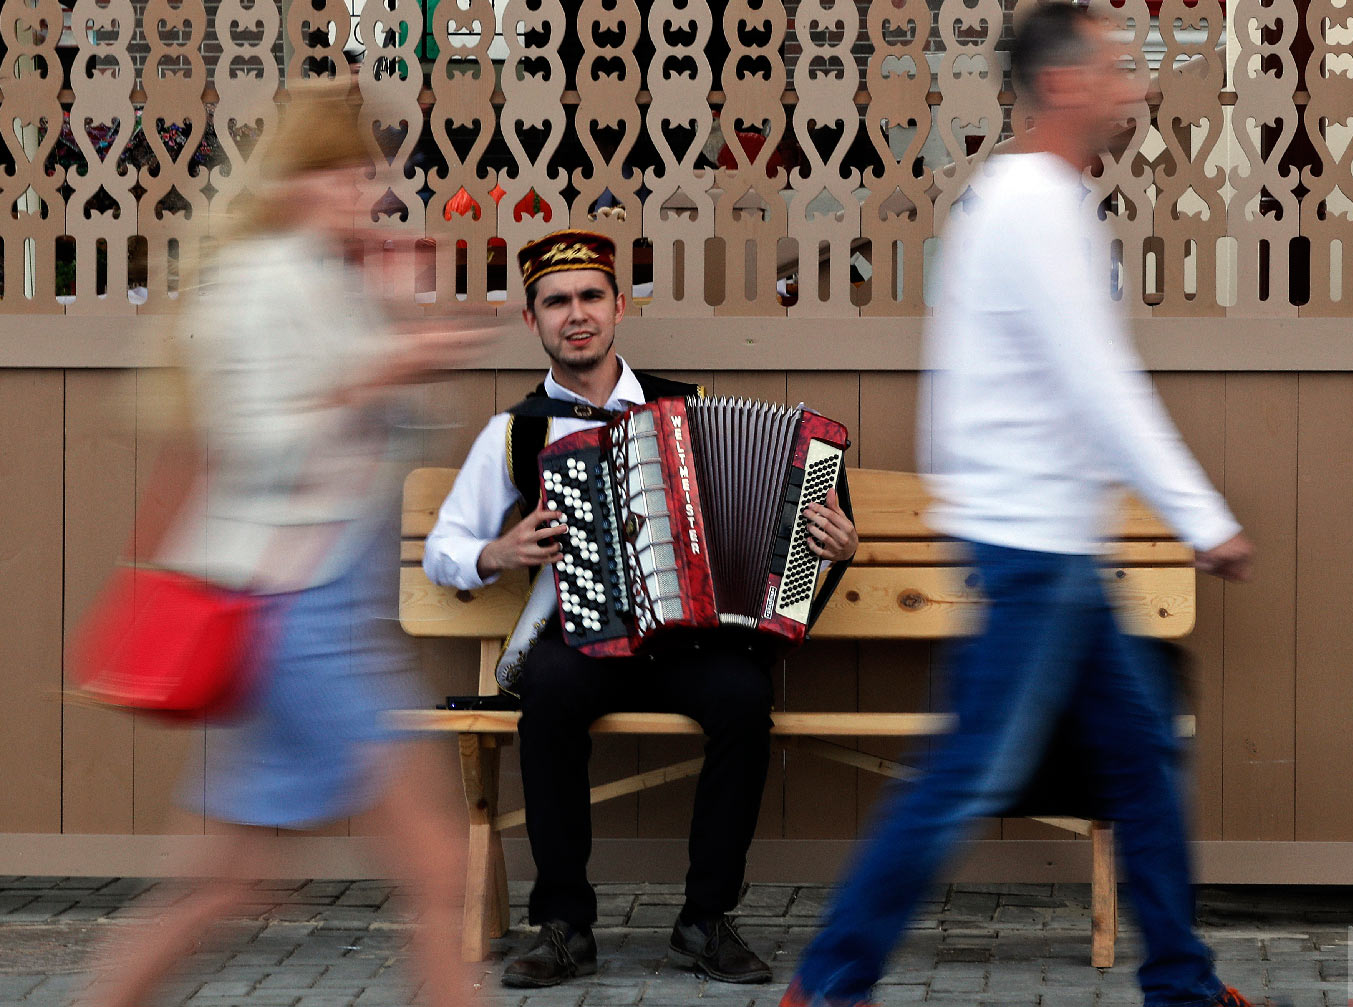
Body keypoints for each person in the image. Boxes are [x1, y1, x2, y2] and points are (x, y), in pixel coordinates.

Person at [780, 6, 1259, 1007]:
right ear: (1064, 84)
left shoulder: (1025, 201)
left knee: (1143, 764)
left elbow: (998, 390)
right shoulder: (1035, 206)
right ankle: (827, 980)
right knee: (967, 779)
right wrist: (1201, 514)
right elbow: (1101, 382)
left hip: (1050, 552)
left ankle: (1183, 980)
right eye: (1118, 69)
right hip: (1033, 554)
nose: (1134, 86)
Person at [82, 82, 491, 1007]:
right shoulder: (261, 285)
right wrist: (380, 364)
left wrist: (396, 324)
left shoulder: (324, 279)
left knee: (228, 883)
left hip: (317, 608)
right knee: (435, 867)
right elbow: (260, 442)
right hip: (297, 613)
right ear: (303, 179)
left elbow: (404, 431)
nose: (371, 193)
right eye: (353, 175)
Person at [423, 228, 859, 988]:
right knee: (548, 698)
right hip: (584, 637)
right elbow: (444, 547)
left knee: (745, 698)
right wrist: (498, 553)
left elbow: (793, 521)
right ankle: (564, 926)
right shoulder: (518, 433)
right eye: (557, 302)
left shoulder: (685, 408)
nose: (576, 313)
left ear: (620, 306)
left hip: (692, 641)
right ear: (534, 321)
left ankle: (704, 919)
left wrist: (835, 544)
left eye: (591, 295)